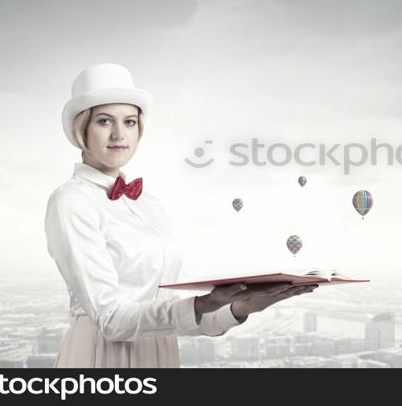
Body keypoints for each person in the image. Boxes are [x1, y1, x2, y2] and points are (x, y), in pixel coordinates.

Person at [45, 63, 316, 367]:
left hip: (159, 349)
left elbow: (176, 310)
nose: (119, 134)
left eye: (130, 122)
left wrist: (242, 305)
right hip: (102, 353)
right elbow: (111, 319)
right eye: (105, 121)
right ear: (81, 128)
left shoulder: (150, 203)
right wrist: (200, 303)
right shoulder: (71, 200)